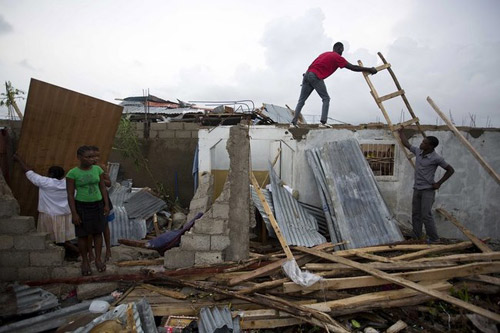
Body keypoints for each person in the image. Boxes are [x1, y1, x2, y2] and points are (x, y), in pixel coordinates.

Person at [291, 42, 378, 127]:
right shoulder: (337, 57)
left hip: (307, 75)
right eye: (342, 50)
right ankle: (323, 123)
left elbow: (312, 64)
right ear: (340, 49)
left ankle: (293, 123)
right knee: (326, 98)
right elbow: (353, 67)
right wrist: (370, 69)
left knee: (301, 100)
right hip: (316, 76)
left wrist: (307, 77)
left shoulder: (324, 54)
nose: (342, 53)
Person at [13, 153, 78, 255]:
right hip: (65, 215)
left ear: (50, 174)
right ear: (62, 175)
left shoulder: (45, 182)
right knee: (63, 239)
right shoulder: (69, 184)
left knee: (48, 239)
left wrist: (18, 159)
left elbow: (29, 172)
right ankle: (73, 252)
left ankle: (73, 252)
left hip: (48, 215)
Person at [398, 129, 455, 243]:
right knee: (416, 214)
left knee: (426, 215)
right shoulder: (418, 152)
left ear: (430, 146)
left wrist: (439, 183)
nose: (421, 143)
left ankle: (434, 239)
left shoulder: (436, 158)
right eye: (422, 142)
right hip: (417, 188)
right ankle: (417, 236)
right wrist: (401, 132)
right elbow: (406, 144)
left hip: (428, 190)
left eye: (424, 143)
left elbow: (450, 170)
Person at [66, 145, 110, 276]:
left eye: (93, 157)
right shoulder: (72, 173)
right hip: (82, 206)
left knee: (98, 233)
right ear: (79, 158)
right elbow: (69, 194)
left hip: (97, 205)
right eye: (88, 157)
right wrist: (74, 213)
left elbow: (102, 188)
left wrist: (106, 204)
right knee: (83, 235)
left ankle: (97, 259)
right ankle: (85, 261)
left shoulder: (97, 170)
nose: (92, 159)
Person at [89, 145, 114, 263]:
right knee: (89, 229)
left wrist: (98, 178)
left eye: (97, 156)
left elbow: (109, 184)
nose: (95, 159)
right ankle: (91, 253)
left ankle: (108, 250)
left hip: (102, 200)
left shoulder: (101, 168)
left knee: (104, 226)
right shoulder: (81, 170)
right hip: (88, 201)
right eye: (92, 156)